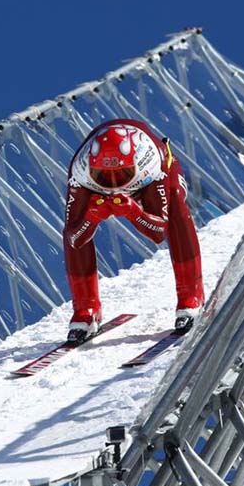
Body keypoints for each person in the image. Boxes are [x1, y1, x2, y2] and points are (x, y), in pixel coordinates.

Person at [62, 119, 203, 344]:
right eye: (105, 176)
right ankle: (85, 309)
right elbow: (74, 239)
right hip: (107, 184)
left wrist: (134, 212)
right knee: (74, 227)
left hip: (146, 183)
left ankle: (191, 296)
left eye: (122, 174)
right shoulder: (81, 171)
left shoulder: (151, 164)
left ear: (136, 165)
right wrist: (91, 217)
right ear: (92, 169)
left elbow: (159, 232)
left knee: (176, 205)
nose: (115, 185)